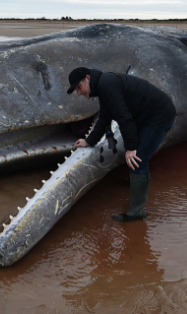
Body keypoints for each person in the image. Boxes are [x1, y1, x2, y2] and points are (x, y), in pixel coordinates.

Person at [67, 67, 176, 222]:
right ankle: (136, 181)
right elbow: (105, 117)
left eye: (79, 87)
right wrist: (89, 141)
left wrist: (132, 148)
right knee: (132, 150)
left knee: (138, 158)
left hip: (159, 116)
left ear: (88, 78)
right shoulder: (104, 85)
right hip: (146, 115)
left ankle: (137, 213)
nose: (79, 92)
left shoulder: (106, 85)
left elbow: (124, 118)